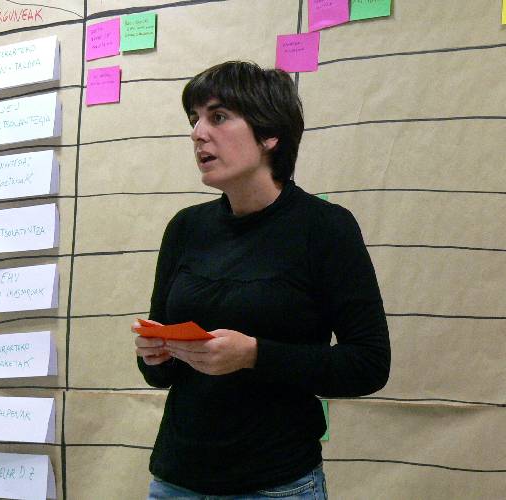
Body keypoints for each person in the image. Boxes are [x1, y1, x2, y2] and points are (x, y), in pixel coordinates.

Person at [132, 61, 390, 499]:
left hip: (276, 484)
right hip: (176, 480)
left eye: (218, 117)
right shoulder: (186, 228)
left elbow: (368, 365)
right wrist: (154, 354)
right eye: (194, 119)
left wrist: (254, 355)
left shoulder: (324, 228)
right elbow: (161, 377)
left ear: (269, 134)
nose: (198, 134)